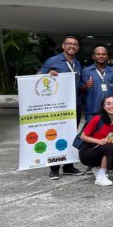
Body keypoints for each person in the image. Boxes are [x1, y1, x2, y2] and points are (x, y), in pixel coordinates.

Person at [39, 35, 86, 179]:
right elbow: (37, 77)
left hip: (75, 105)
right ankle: (54, 168)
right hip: (58, 105)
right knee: (55, 133)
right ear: (63, 45)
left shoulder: (77, 63)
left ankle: (68, 165)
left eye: (75, 44)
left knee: (71, 134)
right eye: (69, 44)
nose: (72, 46)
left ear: (77, 48)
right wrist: (48, 75)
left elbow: (77, 86)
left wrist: (85, 87)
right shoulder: (53, 61)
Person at [77, 96, 113, 186]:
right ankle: (101, 176)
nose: (112, 106)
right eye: (108, 104)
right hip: (88, 152)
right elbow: (83, 136)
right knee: (109, 146)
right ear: (104, 107)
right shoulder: (97, 119)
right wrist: (99, 141)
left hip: (104, 150)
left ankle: (99, 168)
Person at [81, 46, 113, 122]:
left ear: (107, 56)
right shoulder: (86, 71)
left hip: (110, 109)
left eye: (103, 54)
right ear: (93, 57)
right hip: (92, 110)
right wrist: (85, 86)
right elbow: (80, 90)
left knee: (108, 132)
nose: (101, 56)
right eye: (98, 54)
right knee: (92, 133)